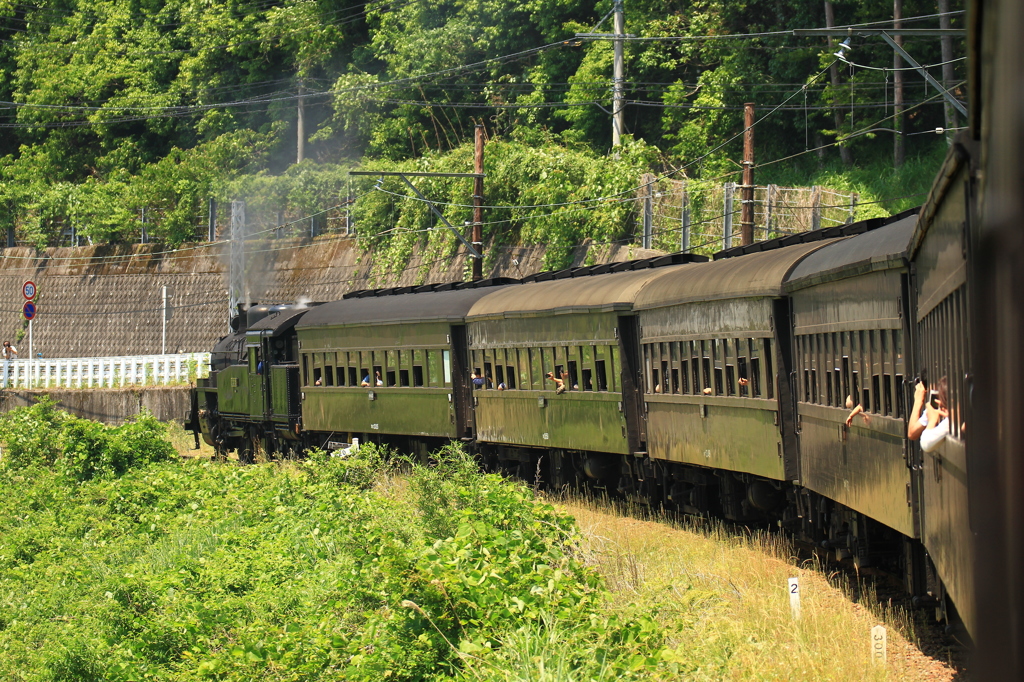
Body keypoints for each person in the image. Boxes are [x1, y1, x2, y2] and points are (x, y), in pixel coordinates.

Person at [908, 377, 949, 453]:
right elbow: (912, 433)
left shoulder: (950, 422)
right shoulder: (937, 406)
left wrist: (918, 401)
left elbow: (925, 443)